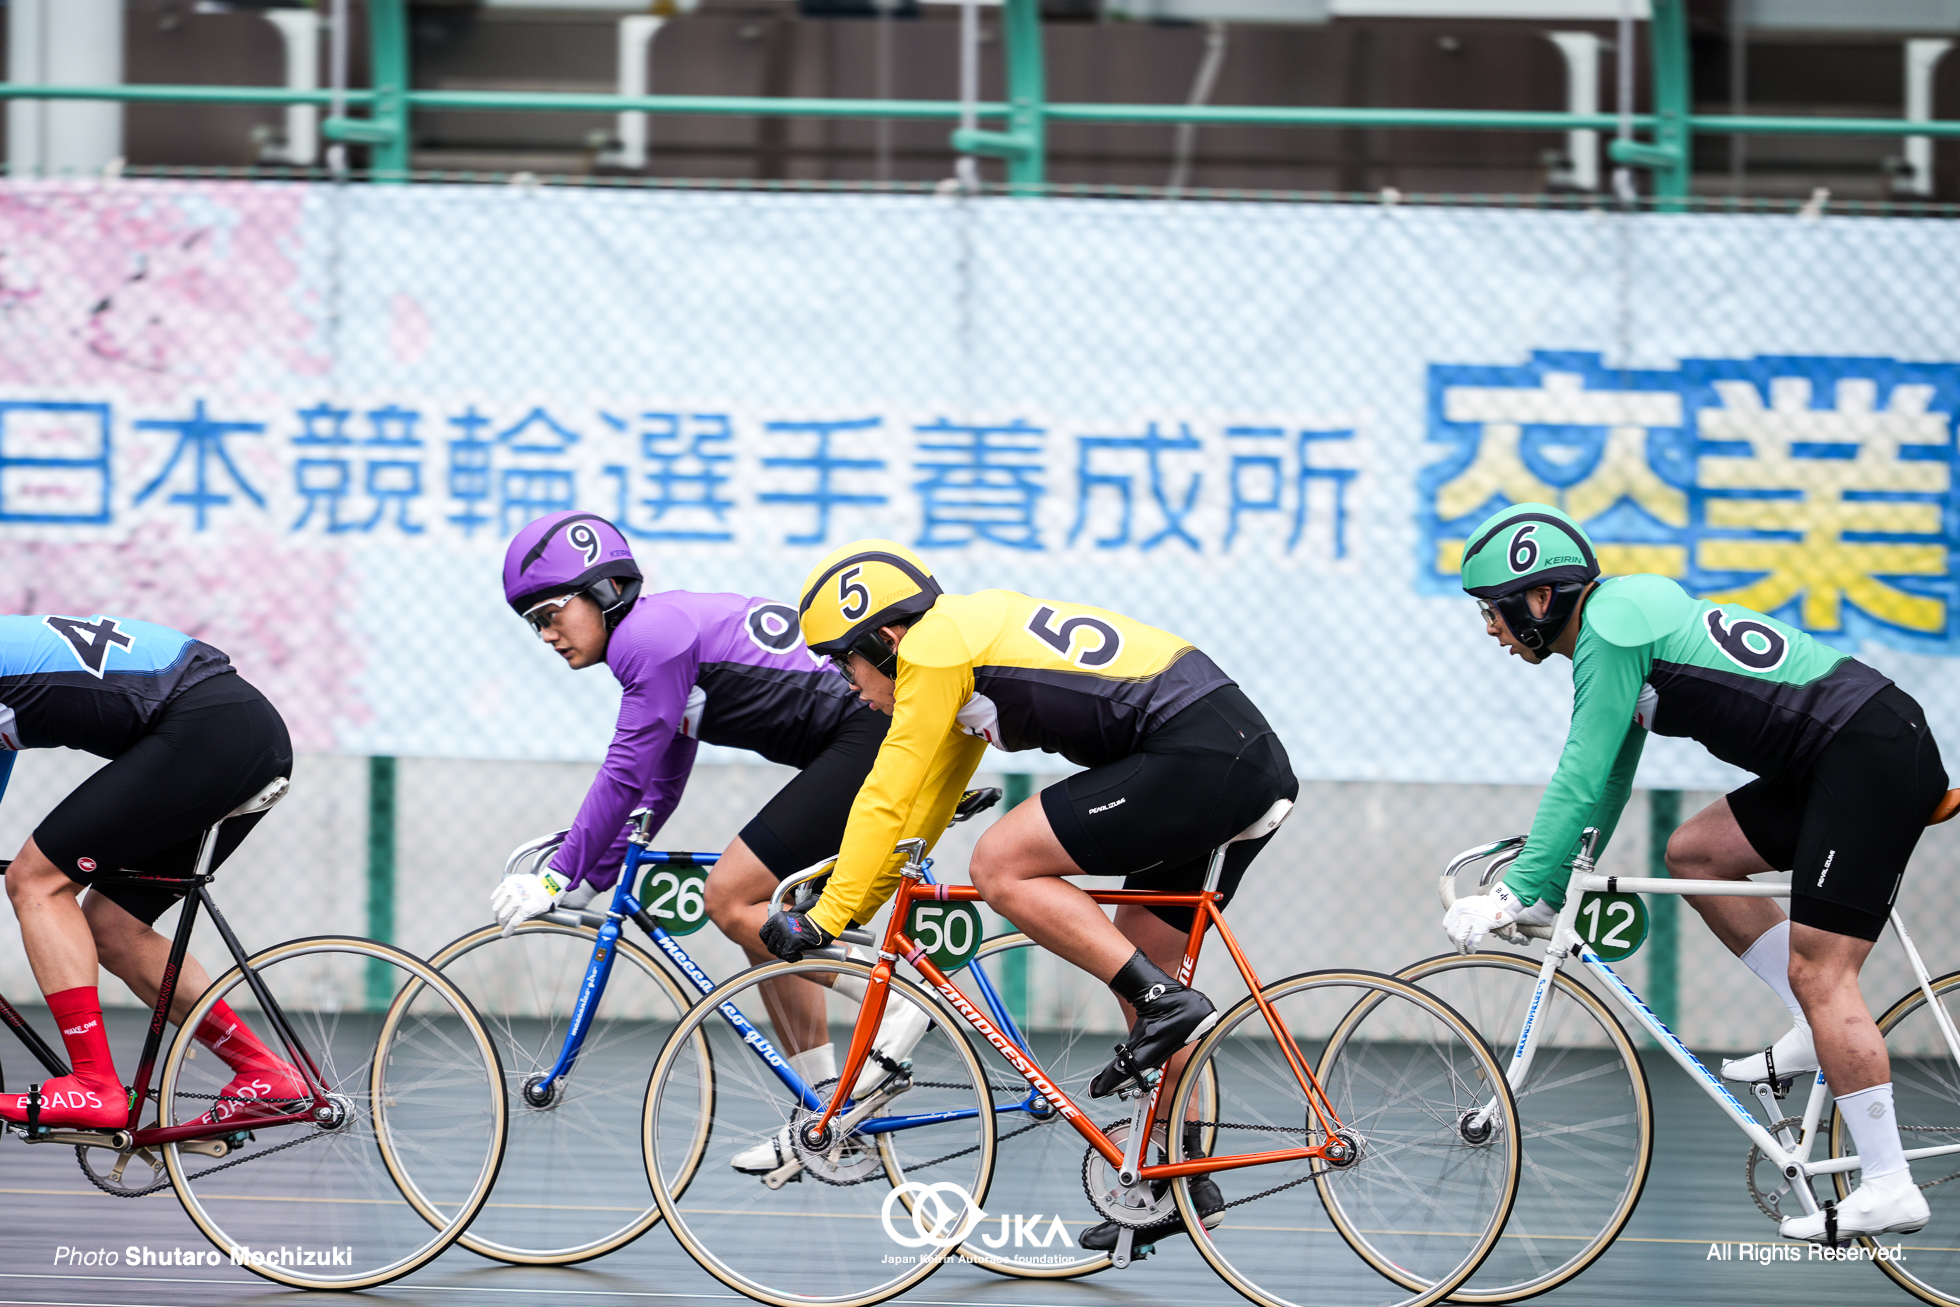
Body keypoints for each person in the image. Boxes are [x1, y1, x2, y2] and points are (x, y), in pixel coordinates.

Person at [759, 540, 1298, 1250]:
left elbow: (889, 789)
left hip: (1198, 753)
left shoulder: (935, 649)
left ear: (885, 639)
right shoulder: (956, 645)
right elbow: (924, 800)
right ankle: (1180, 1175)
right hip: (1232, 751)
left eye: (843, 662)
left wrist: (826, 916)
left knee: (1001, 862)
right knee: (1139, 960)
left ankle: (1164, 1004)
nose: (848, 685)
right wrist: (852, 903)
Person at [1442, 502, 1946, 1243]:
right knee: (1696, 853)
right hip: (1841, 751)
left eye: (1494, 610)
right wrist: (1549, 890)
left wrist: (1511, 892)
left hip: (1863, 752)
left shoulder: (1610, 629)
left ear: (1540, 601)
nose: (1490, 627)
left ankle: (1889, 1183)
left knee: (1824, 974)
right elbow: (1608, 777)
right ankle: (1816, 1025)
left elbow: (1580, 770)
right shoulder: (1614, 621)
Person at [489, 511, 926, 1174]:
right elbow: (659, 786)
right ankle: (830, 1117)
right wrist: (589, 876)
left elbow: (626, 767)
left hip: (871, 733)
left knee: (729, 896)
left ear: (604, 590)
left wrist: (557, 875)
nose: (545, 633)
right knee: (766, 919)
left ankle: (897, 1004)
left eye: (550, 611)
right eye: (530, 623)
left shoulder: (648, 639)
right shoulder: (656, 641)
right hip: (860, 738)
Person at [0, 613, 298, 1130]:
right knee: (114, 931)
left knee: (36, 882)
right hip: (237, 727)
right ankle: (263, 1071)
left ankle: (94, 1085)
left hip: (206, 728)